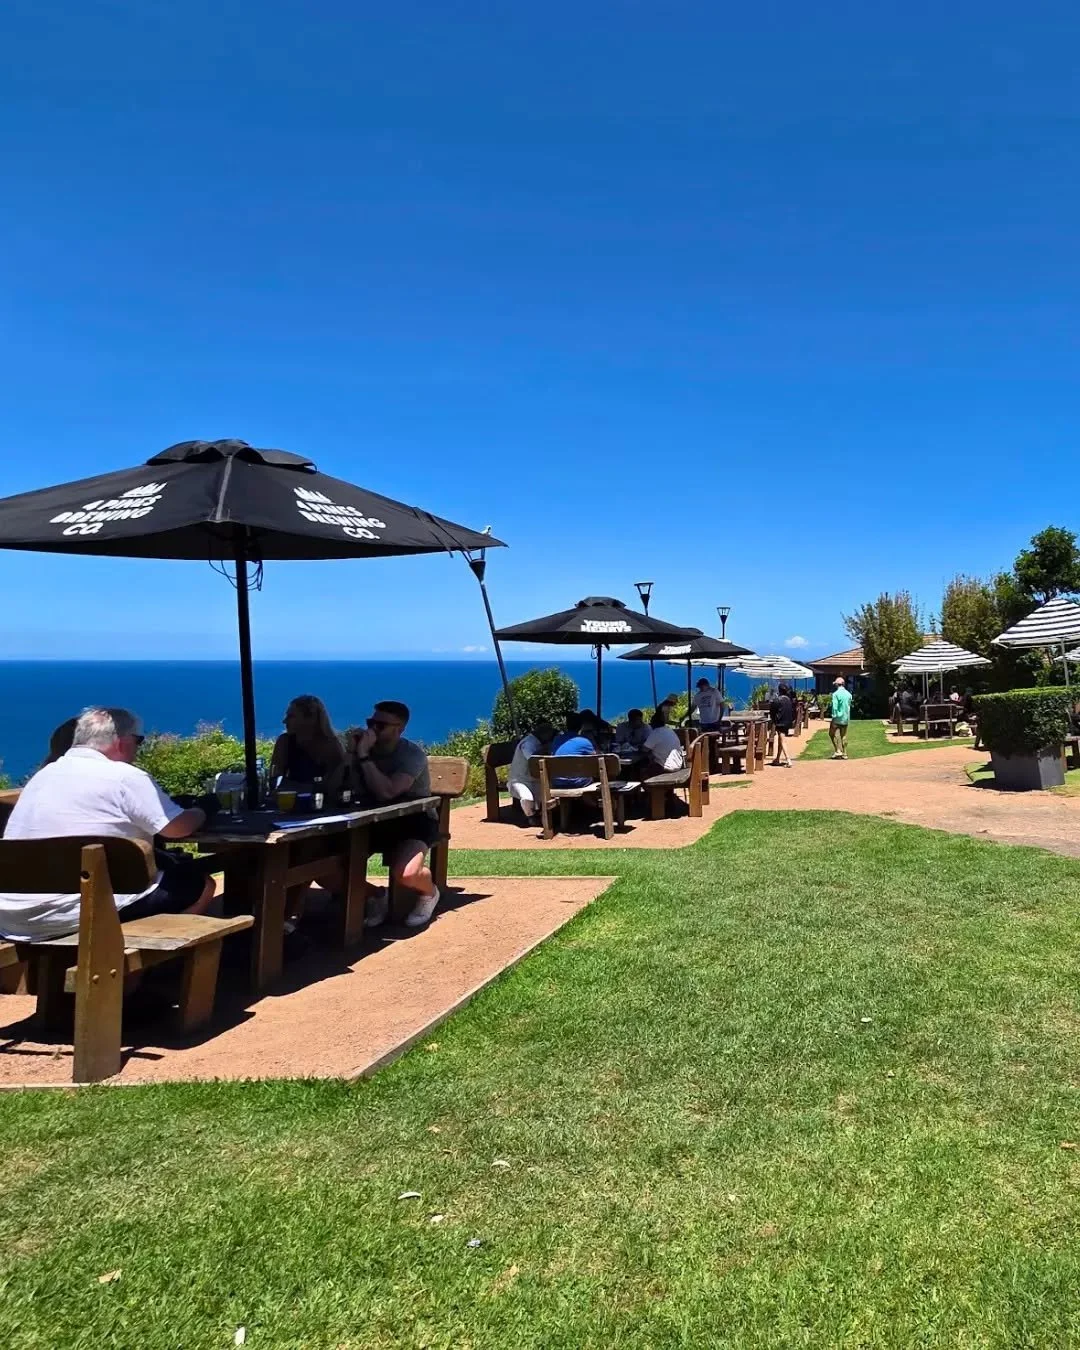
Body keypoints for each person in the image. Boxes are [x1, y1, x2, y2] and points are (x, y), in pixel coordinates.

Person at [0, 707, 216, 942]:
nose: (138, 748)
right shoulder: (125, 776)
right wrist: (202, 810)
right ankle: (145, 962)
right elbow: (177, 828)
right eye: (138, 740)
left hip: (12, 915)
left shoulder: (42, 777)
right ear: (122, 742)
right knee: (200, 883)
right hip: (77, 912)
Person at [347, 701, 442, 928]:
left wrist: (363, 756)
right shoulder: (359, 750)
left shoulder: (411, 755)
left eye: (381, 725)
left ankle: (429, 892)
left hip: (413, 819)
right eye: (371, 723)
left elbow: (388, 792)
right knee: (325, 871)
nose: (373, 729)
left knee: (407, 874)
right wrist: (349, 754)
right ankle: (377, 895)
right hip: (369, 819)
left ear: (400, 729)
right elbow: (340, 786)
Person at [270, 695, 346, 797]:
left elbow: (333, 787)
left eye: (291, 716)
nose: (285, 721)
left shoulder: (331, 747)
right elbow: (275, 780)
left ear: (310, 719)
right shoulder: (285, 742)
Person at [507, 718, 554, 824]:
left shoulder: (538, 742)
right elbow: (532, 759)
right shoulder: (528, 743)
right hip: (520, 780)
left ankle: (543, 814)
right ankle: (531, 817)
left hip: (535, 780)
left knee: (553, 792)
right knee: (527, 798)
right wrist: (546, 749)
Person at [552, 716, 597, 788]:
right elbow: (595, 760)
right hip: (578, 782)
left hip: (558, 782)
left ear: (567, 726)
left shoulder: (556, 740)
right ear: (581, 726)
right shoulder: (584, 741)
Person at [643, 711, 686, 776]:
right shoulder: (669, 730)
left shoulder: (656, 732)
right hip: (678, 764)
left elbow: (644, 749)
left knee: (642, 771)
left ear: (653, 723)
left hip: (666, 767)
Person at [769, 682, 795, 767]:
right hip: (788, 722)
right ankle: (777, 758)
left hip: (780, 723)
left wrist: (774, 721)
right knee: (781, 739)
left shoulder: (777, 700)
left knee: (783, 741)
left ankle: (788, 760)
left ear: (779, 690)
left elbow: (772, 711)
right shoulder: (789, 700)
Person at [829, 676, 853, 760]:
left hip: (837, 718)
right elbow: (849, 705)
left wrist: (833, 716)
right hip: (845, 717)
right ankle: (845, 753)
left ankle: (837, 750)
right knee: (844, 735)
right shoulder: (849, 694)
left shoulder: (835, 694)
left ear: (837, 684)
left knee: (831, 734)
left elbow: (834, 707)